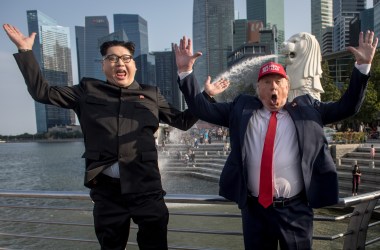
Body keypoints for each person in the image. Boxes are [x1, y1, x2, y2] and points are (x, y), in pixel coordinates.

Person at [2, 23, 227, 250]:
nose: (120, 63)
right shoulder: (87, 90)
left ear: (135, 65)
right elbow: (42, 92)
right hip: (107, 192)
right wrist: (25, 51)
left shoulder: (151, 94)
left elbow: (183, 122)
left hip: (146, 189)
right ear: (103, 65)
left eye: (126, 58)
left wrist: (205, 94)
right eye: (112, 58)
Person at [174, 30, 377, 249]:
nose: (273, 87)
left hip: (295, 211)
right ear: (257, 89)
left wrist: (362, 67)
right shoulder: (241, 108)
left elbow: (348, 106)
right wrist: (186, 72)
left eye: (279, 82)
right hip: (255, 211)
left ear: (287, 87)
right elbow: (201, 109)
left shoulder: (308, 108)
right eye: (267, 82)